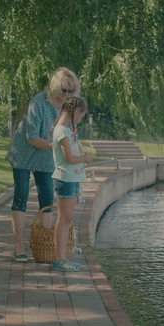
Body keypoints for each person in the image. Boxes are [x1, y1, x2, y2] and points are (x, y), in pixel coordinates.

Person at [8, 67, 80, 262]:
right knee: (21, 197)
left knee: (47, 201)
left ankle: (45, 242)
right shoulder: (38, 103)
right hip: (24, 153)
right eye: (64, 90)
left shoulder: (70, 107)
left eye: (71, 91)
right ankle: (19, 246)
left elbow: (71, 135)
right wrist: (59, 148)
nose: (66, 95)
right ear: (55, 87)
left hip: (46, 157)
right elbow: (32, 138)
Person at [50, 96, 92, 271]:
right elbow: (68, 158)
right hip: (65, 179)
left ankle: (63, 258)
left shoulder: (66, 130)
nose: (81, 119)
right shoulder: (62, 131)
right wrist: (86, 158)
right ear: (75, 112)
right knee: (64, 219)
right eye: (81, 116)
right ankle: (60, 259)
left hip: (71, 179)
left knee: (67, 219)